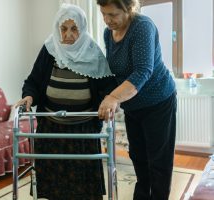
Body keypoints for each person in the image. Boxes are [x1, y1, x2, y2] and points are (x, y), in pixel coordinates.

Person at [15, 3, 115, 200]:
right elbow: (33, 81)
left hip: (83, 130)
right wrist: (29, 96)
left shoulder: (92, 51)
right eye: (64, 28)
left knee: (84, 188)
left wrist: (108, 101)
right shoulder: (49, 49)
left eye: (74, 28)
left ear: (83, 28)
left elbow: (108, 86)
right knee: (55, 188)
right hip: (51, 129)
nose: (69, 34)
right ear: (57, 28)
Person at [96, 0, 177, 200]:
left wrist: (114, 97)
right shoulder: (108, 33)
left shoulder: (142, 26)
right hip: (133, 106)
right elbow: (114, 72)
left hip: (159, 102)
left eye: (113, 15)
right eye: (103, 14)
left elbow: (142, 71)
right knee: (138, 158)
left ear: (129, 9)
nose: (107, 20)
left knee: (158, 160)